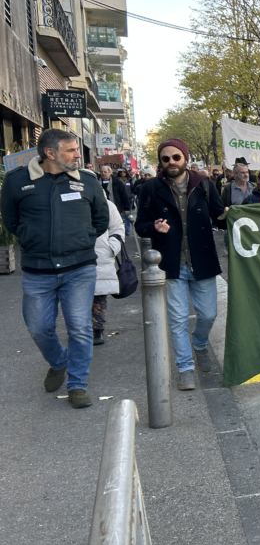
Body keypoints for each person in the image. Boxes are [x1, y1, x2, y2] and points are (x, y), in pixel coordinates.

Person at [0, 129, 109, 408]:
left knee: (80, 328)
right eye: (71, 150)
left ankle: (77, 385)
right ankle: (59, 362)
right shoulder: (17, 181)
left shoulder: (86, 181)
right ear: (50, 153)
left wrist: (81, 239)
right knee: (38, 327)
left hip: (79, 268)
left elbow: (100, 219)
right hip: (38, 270)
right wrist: (29, 237)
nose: (77, 155)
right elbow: (11, 221)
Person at [135, 138, 226, 390]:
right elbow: (140, 225)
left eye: (176, 157)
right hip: (171, 263)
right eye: (166, 159)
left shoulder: (204, 185)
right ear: (160, 162)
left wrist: (235, 213)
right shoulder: (150, 188)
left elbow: (220, 217)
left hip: (203, 261)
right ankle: (185, 367)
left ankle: (199, 343)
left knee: (209, 314)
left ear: (185, 158)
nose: (171, 162)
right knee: (177, 319)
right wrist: (153, 227)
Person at [92, 196, 125, 346]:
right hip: (75, 256)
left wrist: (112, 247)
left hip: (101, 255)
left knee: (99, 296)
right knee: (75, 297)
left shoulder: (106, 204)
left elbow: (117, 227)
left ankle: (97, 329)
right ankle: (79, 329)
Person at [100, 165, 132, 230]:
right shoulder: (96, 182)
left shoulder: (117, 182)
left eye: (105, 172)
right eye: (101, 172)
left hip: (116, 207)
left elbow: (124, 195)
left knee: (115, 226)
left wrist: (126, 208)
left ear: (110, 172)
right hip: (101, 208)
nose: (103, 173)